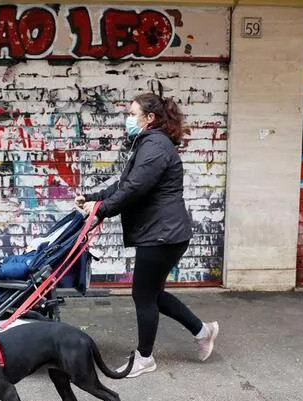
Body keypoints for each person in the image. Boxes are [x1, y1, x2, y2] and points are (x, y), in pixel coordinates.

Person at [75, 93, 219, 378]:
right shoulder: (148, 143)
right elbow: (125, 183)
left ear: (149, 118)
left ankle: (144, 358)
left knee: (143, 294)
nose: (128, 119)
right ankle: (204, 331)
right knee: (153, 293)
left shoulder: (154, 145)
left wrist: (101, 210)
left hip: (163, 234)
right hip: (164, 232)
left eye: (132, 113)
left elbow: (135, 188)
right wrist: (93, 198)